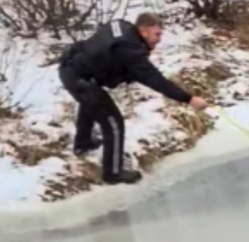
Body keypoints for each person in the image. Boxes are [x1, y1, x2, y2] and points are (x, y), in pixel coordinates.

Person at [58, 13, 208, 185]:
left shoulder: (122, 26)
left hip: (73, 68)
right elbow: (155, 80)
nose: (159, 39)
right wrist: (189, 99)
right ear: (143, 31)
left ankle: (83, 144)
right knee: (113, 123)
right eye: (157, 34)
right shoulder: (130, 52)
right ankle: (112, 173)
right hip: (79, 78)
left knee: (91, 103)